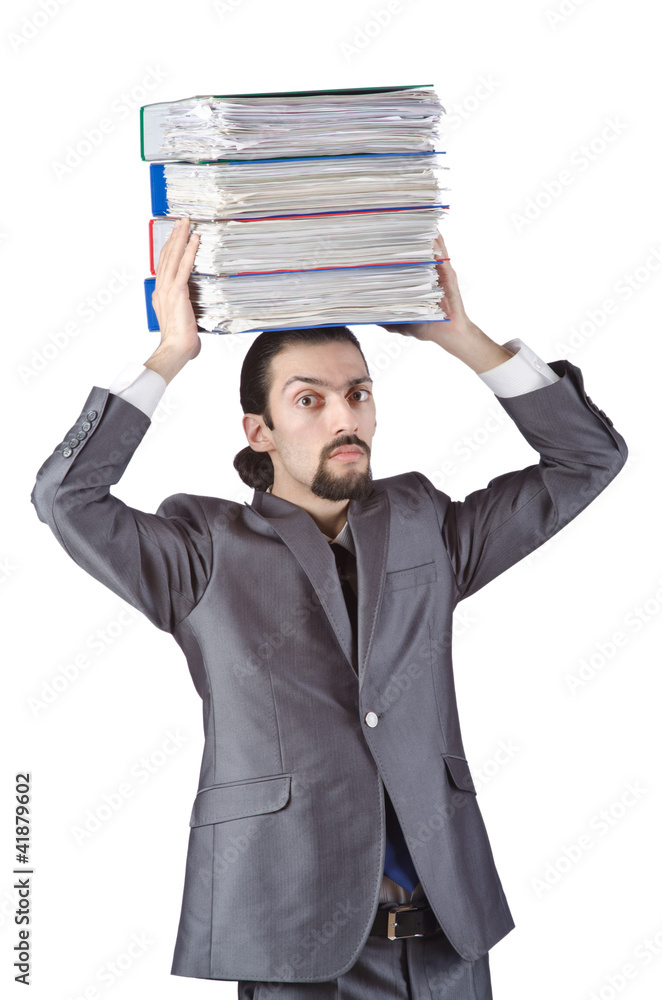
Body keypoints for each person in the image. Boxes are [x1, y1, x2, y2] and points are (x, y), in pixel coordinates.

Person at [31, 219, 627, 999]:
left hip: (447, 946)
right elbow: (65, 498)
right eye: (308, 400)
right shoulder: (201, 551)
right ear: (260, 431)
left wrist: (462, 337)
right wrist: (171, 352)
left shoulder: (424, 523)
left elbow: (588, 459)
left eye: (358, 394)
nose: (344, 418)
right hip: (296, 950)